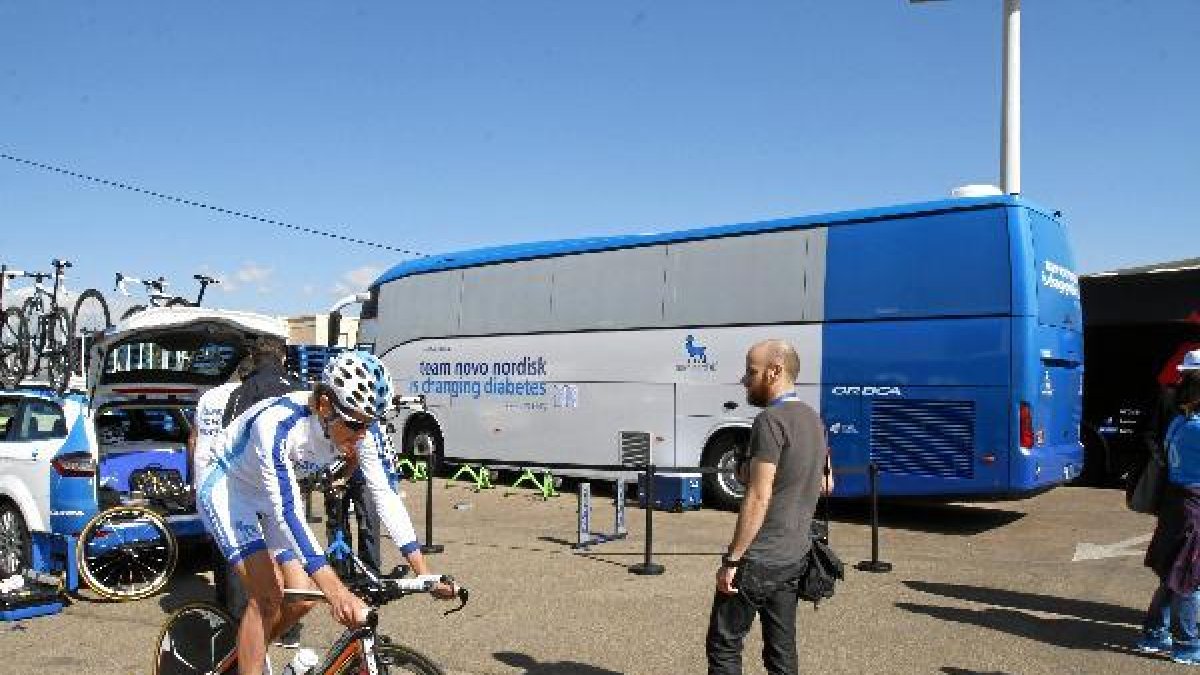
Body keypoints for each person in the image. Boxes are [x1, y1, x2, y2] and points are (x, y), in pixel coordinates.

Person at [197, 351, 457, 675]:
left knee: (303, 598)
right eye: (354, 425)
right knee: (267, 596)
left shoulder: (358, 423)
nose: (361, 435)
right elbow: (288, 512)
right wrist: (336, 592)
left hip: (267, 494)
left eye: (368, 425)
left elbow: (385, 496)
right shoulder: (278, 424)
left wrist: (423, 571)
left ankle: (249, 649)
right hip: (228, 490)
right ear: (324, 405)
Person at [705, 339, 828, 675]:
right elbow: (826, 483)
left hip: (759, 558)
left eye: (751, 371)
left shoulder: (770, 421)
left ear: (775, 371)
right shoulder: (814, 420)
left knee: (724, 645)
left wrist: (732, 560)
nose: (744, 379)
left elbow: (759, 496)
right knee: (781, 651)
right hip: (794, 557)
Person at [1137, 367, 1200, 664]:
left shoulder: (1179, 422)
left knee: (1172, 573)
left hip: (1176, 502)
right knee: (1189, 579)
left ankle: (1153, 633)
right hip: (1193, 507)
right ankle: (1186, 644)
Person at [187, 354, 254, 615]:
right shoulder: (244, 397)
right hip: (226, 477)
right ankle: (236, 614)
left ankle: (221, 601)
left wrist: (193, 476)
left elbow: (193, 438)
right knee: (237, 544)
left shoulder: (208, 396)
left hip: (204, 476)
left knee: (216, 541)